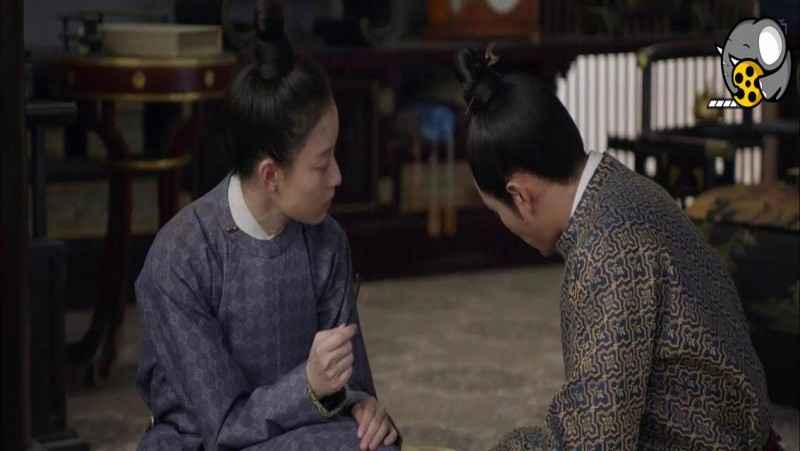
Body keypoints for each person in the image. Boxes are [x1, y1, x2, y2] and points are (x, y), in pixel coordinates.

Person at [454, 46, 778, 450]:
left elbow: (597, 442)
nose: (504, 224)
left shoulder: (606, 251)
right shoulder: (620, 187)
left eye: (497, 210)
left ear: (520, 195)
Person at [134, 4, 400, 450]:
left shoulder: (327, 240)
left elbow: (348, 383)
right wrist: (308, 385)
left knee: (376, 443)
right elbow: (222, 425)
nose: (337, 177)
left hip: (300, 429)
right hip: (201, 441)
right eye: (322, 164)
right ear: (271, 175)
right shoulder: (180, 256)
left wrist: (362, 407)